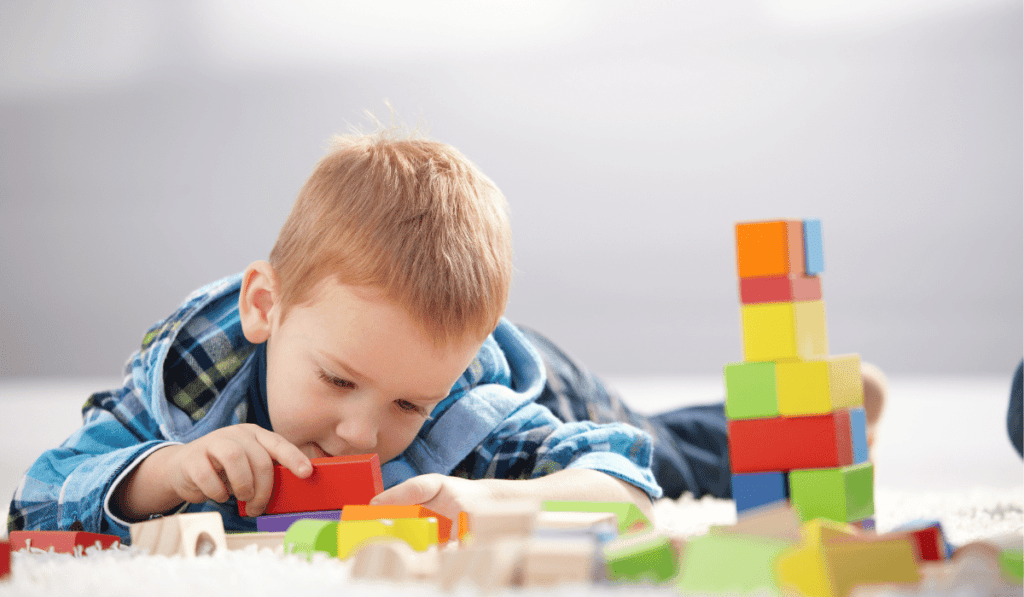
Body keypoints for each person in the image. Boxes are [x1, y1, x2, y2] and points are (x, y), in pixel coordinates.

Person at [7, 131, 888, 542]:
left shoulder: (465, 408)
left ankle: (815, 411)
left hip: (542, 384)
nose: (359, 431)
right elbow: (39, 496)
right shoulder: (196, 373)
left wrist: (489, 499)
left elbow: (624, 482)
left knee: (670, 446)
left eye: (403, 403)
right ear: (267, 308)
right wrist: (163, 473)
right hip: (414, 352)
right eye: (339, 380)